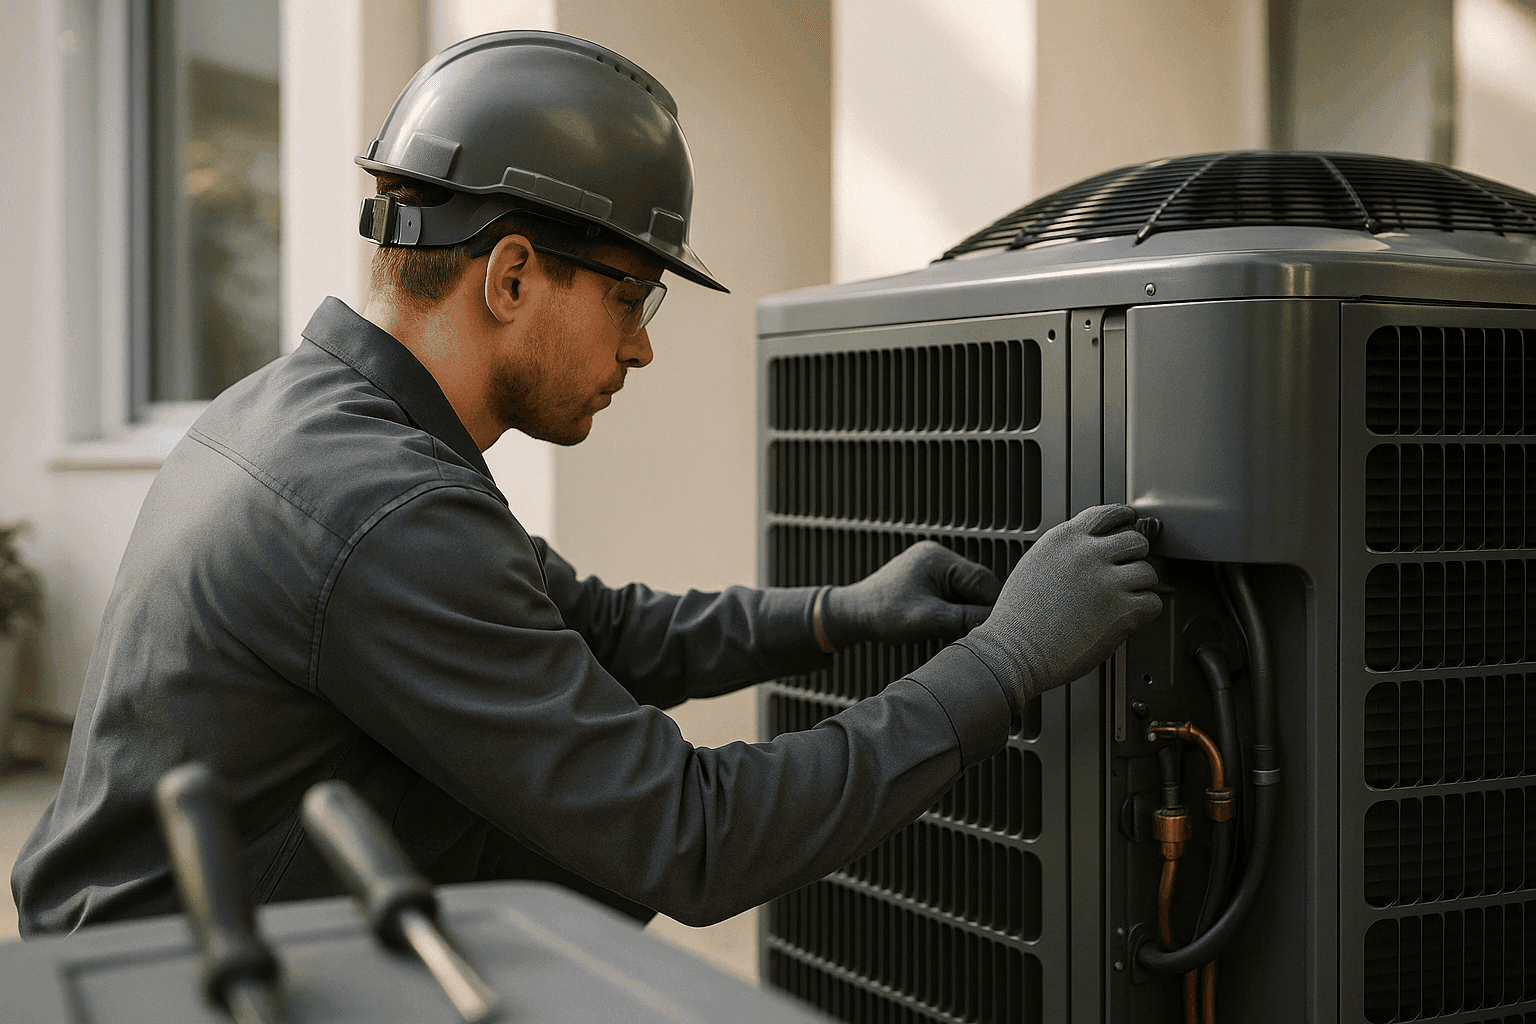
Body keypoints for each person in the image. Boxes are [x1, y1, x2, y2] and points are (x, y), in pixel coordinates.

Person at [12, 31, 1161, 935]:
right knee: (606, 853)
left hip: (157, 942)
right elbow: (696, 839)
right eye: (628, 295)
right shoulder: (382, 513)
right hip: (186, 984)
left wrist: (834, 614)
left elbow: (590, 628)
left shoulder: (311, 418)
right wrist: (1008, 663)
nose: (642, 347)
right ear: (512, 275)